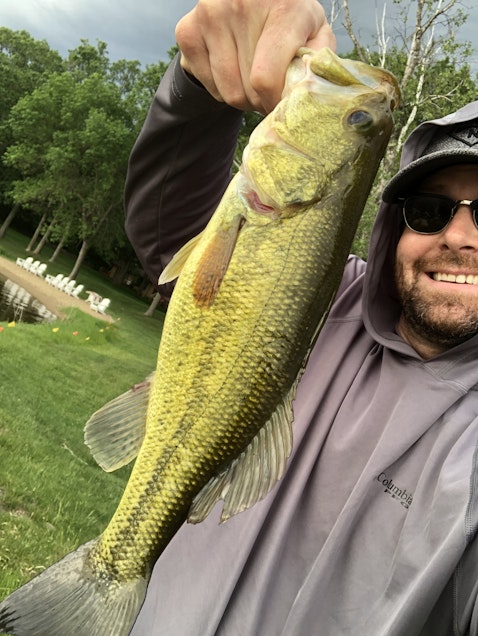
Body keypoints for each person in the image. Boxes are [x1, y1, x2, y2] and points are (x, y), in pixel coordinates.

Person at [124, 1, 478, 633]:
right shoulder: (328, 294)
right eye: (429, 210)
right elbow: (166, 237)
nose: (458, 236)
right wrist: (202, 89)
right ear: (396, 224)